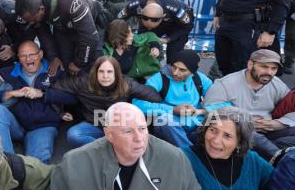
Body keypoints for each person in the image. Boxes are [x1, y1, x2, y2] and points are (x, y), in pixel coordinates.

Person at [50, 102, 201, 189]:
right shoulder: (74, 163)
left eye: (142, 129)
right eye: (128, 131)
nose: (139, 138)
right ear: (109, 134)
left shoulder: (175, 159)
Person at [45, 56, 161, 147]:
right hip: (94, 123)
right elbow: (55, 88)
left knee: (139, 139)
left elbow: (154, 97)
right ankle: (106, 149)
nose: (105, 76)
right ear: (95, 72)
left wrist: (136, 111)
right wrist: (59, 112)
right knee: (73, 134)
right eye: (101, 71)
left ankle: (114, 146)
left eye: (109, 72)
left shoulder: (126, 84)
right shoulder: (83, 82)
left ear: (116, 73)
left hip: (119, 125)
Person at [204, 49, 295, 160]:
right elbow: (209, 113)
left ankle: (272, 153)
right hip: (236, 131)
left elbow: (290, 107)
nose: (269, 72)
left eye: (273, 68)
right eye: (264, 67)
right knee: (254, 137)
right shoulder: (225, 84)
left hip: (268, 130)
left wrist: (280, 123)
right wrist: (244, 122)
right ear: (251, 64)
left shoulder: (277, 84)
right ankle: (281, 159)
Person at [0, 41, 65, 163]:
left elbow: (72, 97)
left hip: (42, 127)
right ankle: (6, 164)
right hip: (16, 124)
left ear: (41, 54)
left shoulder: (54, 71)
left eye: (32, 54)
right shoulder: (6, 73)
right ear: (18, 57)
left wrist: (42, 93)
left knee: (36, 165)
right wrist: (11, 93)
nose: (28, 59)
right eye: (23, 56)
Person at [134, 50, 224, 147]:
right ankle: (189, 154)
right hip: (170, 124)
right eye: (174, 67)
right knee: (164, 120)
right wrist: (172, 110)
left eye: (182, 70)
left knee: (223, 120)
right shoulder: (159, 78)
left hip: (197, 123)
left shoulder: (201, 79)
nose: (175, 73)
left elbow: (225, 103)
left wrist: (201, 111)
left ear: (192, 71)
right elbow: (137, 103)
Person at [15, 0, 103, 76]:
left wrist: (79, 63)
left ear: (41, 9)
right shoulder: (32, 6)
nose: (31, 23)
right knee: (65, 65)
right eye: (29, 21)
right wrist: (54, 57)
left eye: (33, 20)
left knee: (94, 67)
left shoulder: (70, 2)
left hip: (90, 25)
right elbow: (44, 34)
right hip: (63, 27)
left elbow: (90, 37)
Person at [182, 107, 274, 189]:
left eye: (227, 136)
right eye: (213, 130)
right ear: (205, 130)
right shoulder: (183, 158)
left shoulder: (253, 161)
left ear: (239, 142)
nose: (216, 140)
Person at [118, 0, 194, 64]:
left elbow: (187, 27)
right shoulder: (134, 5)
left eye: (151, 27)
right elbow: (118, 21)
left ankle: (172, 70)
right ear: (141, 13)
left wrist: (168, 39)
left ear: (163, 16)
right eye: (147, 26)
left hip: (177, 24)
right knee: (142, 44)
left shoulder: (176, 9)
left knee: (174, 53)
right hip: (152, 21)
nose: (149, 29)